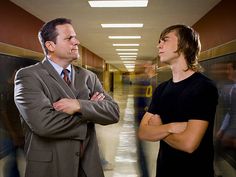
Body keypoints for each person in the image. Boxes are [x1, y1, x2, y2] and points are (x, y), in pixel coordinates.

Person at [14, 18, 119, 177]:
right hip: (51, 168)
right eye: (69, 38)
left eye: (75, 37)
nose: (76, 42)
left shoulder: (87, 76)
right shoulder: (29, 76)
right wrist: (90, 112)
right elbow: (44, 124)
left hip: (87, 167)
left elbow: (113, 112)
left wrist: (79, 105)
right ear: (50, 45)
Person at [138, 24, 218, 177]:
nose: (158, 45)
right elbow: (143, 132)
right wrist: (171, 127)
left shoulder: (204, 88)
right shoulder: (162, 89)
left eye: (165, 40)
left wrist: (160, 128)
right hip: (164, 171)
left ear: (184, 44)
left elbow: (189, 144)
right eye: (159, 41)